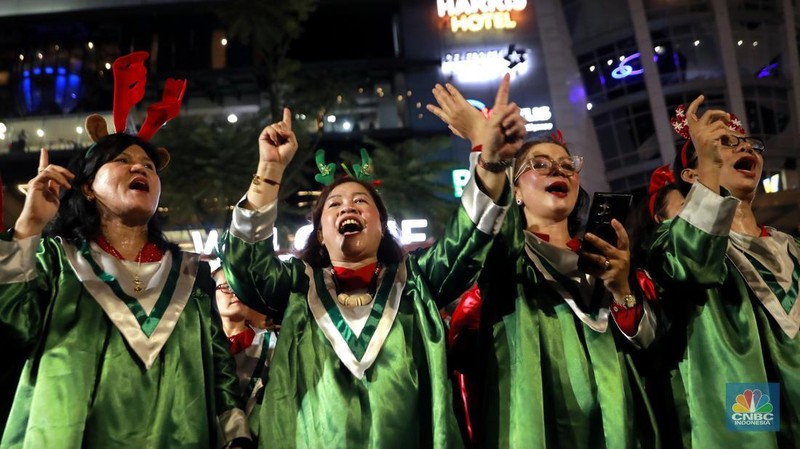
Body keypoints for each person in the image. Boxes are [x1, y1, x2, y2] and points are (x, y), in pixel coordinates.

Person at [220, 74, 526, 448]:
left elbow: (469, 238)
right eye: (334, 204)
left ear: (382, 226)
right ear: (319, 234)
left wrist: (490, 159)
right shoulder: (296, 288)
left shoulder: (415, 283)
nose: (348, 205)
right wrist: (269, 169)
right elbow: (243, 263)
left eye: (360, 202)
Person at [0, 51, 251, 448]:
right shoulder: (55, 259)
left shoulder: (190, 274)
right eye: (122, 160)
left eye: (149, 166)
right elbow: (12, 330)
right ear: (86, 187)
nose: (141, 169)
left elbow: (220, 372)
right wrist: (29, 225)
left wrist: (236, 436)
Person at [427, 83, 659, 449]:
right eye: (540, 164)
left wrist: (622, 290)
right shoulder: (506, 254)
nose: (559, 170)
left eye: (568, 165)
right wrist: (486, 152)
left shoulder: (606, 256)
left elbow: (649, 344)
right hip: (532, 422)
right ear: (514, 191)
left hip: (616, 424)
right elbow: (478, 231)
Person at [647, 95, 799, 448]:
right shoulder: (674, 240)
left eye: (749, 144)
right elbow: (691, 265)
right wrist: (710, 164)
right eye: (725, 144)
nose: (744, 148)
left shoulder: (791, 247)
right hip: (746, 394)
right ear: (692, 173)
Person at [211, 261, 278, 417]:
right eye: (226, 286)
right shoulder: (202, 344)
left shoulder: (271, 342)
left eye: (239, 287)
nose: (235, 292)